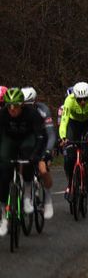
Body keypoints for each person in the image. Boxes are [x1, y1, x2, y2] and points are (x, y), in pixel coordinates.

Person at [0, 88, 46, 237]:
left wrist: (36, 155)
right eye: (9, 106)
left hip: (28, 140)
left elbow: (41, 136)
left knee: (27, 163)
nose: (12, 110)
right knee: (4, 171)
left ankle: (27, 197)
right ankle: (3, 211)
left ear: (22, 105)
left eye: (16, 106)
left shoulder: (32, 114)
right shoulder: (2, 115)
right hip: (10, 141)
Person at [59, 82, 88, 195]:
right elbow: (64, 122)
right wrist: (63, 137)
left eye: (85, 99)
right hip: (74, 124)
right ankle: (70, 183)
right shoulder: (69, 100)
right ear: (75, 97)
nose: (82, 102)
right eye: (79, 100)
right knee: (70, 156)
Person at [21, 86, 56, 218]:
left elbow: (51, 134)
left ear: (35, 102)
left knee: (42, 169)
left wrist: (48, 151)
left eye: (29, 104)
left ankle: (47, 199)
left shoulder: (43, 110)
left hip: (42, 141)